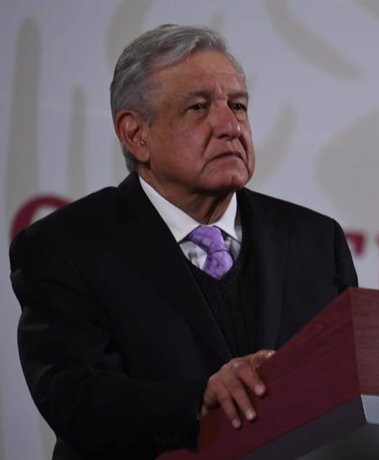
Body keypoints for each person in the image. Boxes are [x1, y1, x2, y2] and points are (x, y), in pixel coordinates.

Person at [9, 24, 357, 460]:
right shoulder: (65, 246)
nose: (230, 125)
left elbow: (351, 384)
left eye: (238, 105)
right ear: (137, 135)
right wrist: (198, 400)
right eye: (198, 108)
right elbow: (75, 398)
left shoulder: (315, 240)